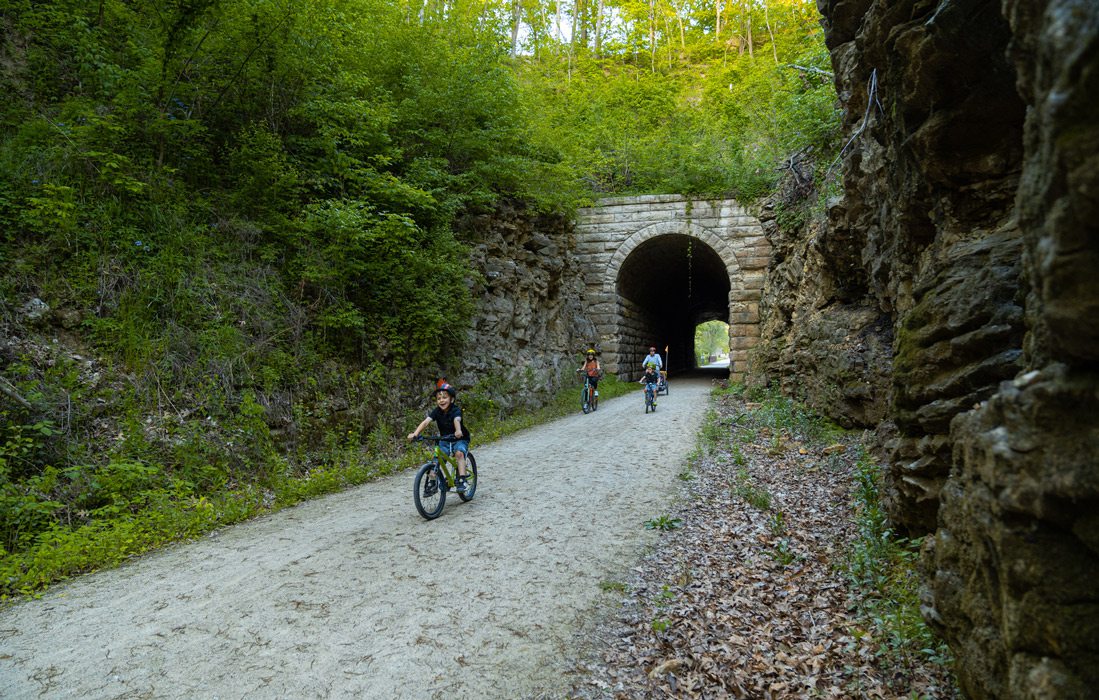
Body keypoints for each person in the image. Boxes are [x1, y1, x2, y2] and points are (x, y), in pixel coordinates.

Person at [407, 383, 472, 493]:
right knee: (436, 460)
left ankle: (462, 480)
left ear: (451, 399)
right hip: (445, 440)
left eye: (444, 397)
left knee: (459, 454)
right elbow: (426, 422)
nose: (441, 400)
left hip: (459, 438)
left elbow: (457, 420)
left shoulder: (455, 410)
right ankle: (432, 482)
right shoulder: (437, 411)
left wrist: (458, 430)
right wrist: (415, 433)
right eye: (439, 398)